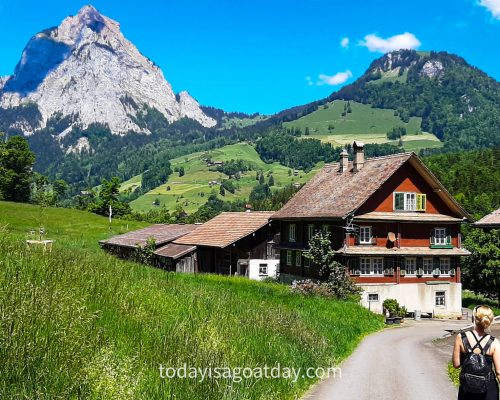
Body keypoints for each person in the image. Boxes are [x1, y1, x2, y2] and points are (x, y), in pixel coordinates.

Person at [452, 305, 499, 400]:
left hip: (467, 388)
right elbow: (499, 371)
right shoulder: (494, 342)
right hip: (488, 389)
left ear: (474, 318)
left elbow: (456, 364)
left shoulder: (461, 337)